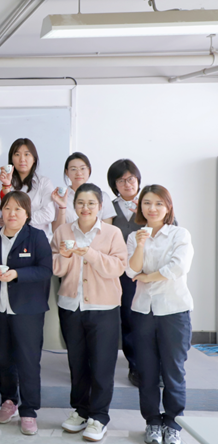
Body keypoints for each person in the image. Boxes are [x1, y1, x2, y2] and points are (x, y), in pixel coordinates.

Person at [51, 183, 127, 441]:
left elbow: (118, 267)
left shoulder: (113, 233)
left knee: (103, 364)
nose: (85, 208)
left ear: (100, 206)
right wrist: (63, 255)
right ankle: (81, 411)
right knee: (77, 362)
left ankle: (99, 417)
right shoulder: (62, 231)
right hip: (70, 306)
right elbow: (56, 269)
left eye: (91, 203)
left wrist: (92, 254)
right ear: (74, 205)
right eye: (81, 203)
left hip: (103, 307)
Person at [0, 191, 52, 436]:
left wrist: (18, 274)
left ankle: (29, 411)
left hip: (28, 310)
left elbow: (45, 270)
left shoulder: (36, 236)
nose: (12, 213)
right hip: (0, 309)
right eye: (8, 208)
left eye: (18, 209)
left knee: (28, 361)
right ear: (1, 211)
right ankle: (8, 401)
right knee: (4, 359)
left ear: (27, 213)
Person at [126, 185, 193, 444]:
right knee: (147, 371)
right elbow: (131, 271)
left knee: (174, 370)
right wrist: (141, 245)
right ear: (140, 207)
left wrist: (148, 277)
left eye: (158, 204)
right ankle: (152, 422)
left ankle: (173, 423)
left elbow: (178, 267)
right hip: (143, 311)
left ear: (168, 207)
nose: (152, 208)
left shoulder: (179, 234)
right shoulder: (134, 237)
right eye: (147, 203)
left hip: (174, 310)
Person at [106, 158, 143, 387]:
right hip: (120, 273)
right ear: (114, 185)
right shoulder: (109, 208)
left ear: (138, 179)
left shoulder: (150, 202)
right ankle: (135, 366)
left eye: (130, 179)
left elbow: (170, 228)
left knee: (147, 319)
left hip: (147, 272)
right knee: (128, 318)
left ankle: (153, 364)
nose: (127, 184)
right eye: (121, 180)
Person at [0, 138, 56, 241]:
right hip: (6, 239)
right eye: (17, 154)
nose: (22, 159)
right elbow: (0, 213)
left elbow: (49, 214)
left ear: (34, 159)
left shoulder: (44, 182)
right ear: (11, 159)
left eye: (27, 154)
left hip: (34, 240)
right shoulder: (2, 180)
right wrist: (6, 185)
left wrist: (18, 219)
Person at [51, 152, 116, 233]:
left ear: (89, 170)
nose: (79, 173)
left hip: (96, 240)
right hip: (69, 240)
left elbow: (107, 231)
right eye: (73, 169)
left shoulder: (103, 196)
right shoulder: (59, 198)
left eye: (82, 168)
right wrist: (62, 207)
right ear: (67, 172)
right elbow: (56, 232)